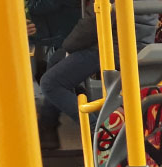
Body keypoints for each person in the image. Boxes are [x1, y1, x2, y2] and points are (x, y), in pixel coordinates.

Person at [37, 0, 155, 149]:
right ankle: (48, 125)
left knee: (50, 83)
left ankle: (99, 133)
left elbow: (91, 24)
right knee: (56, 60)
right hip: (128, 42)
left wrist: (69, 47)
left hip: (116, 48)